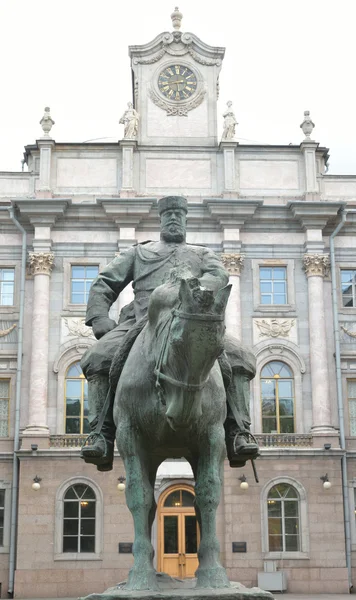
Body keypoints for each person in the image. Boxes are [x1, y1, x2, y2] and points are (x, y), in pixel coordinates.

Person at [80, 196, 259, 471]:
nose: (174, 219)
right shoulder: (139, 253)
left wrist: (188, 289)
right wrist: (99, 316)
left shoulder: (201, 254)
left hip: (191, 322)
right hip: (141, 322)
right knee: (97, 356)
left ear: (185, 220)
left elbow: (219, 276)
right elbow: (105, 281)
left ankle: (237, 430)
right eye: (168, 215)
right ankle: (101, 434)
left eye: (179, 214)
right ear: (160, 220)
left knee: (240, 357)